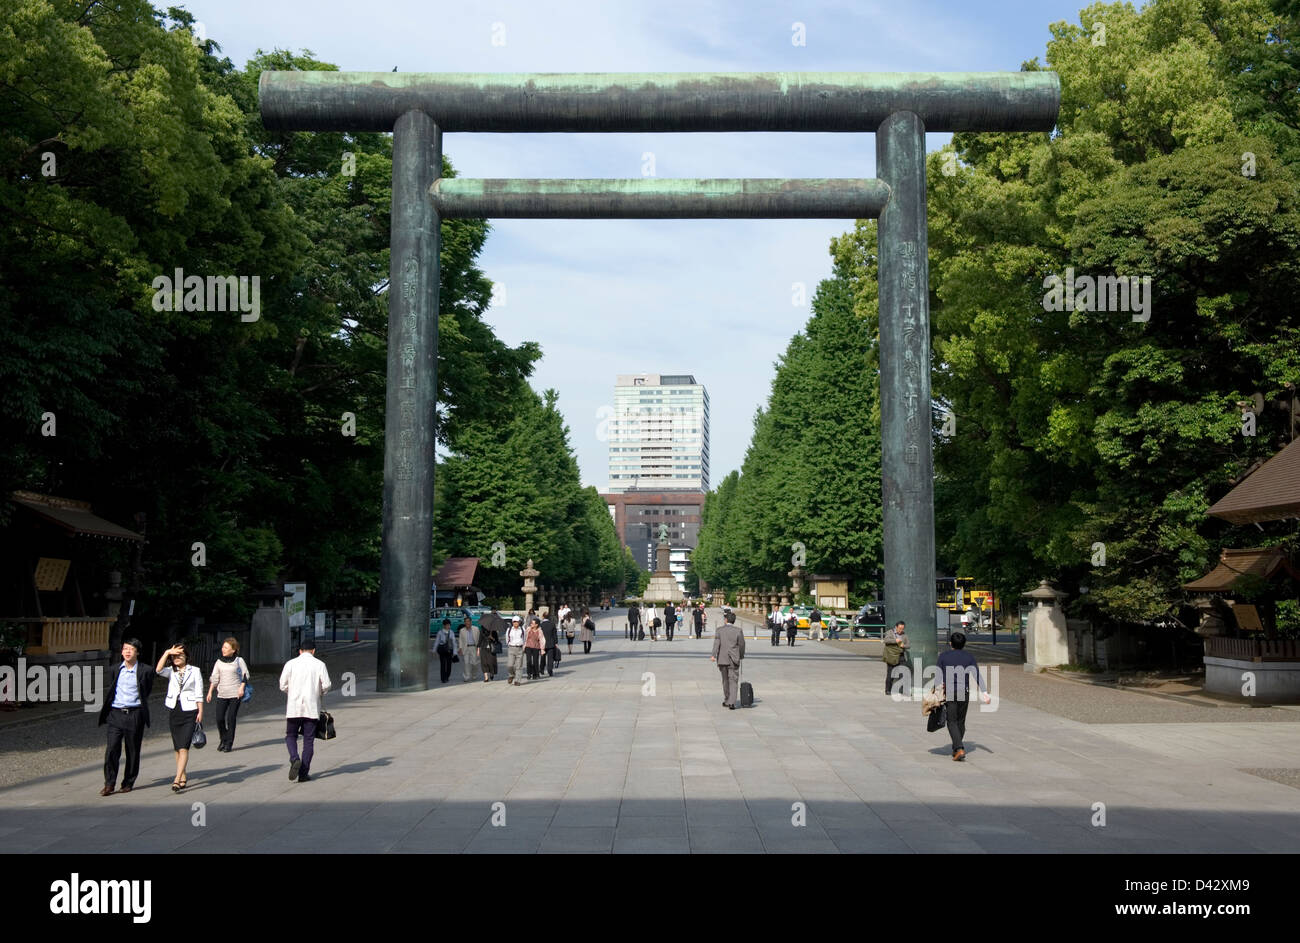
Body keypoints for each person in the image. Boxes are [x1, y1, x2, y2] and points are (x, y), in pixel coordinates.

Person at [98, 637, 156, 796]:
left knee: (132, 750)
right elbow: (111, 690)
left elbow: (147, 691)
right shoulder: (115, 669)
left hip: (134, 714)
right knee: (111, 749)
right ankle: (109, 783)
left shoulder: (146, 670)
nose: (127, 652)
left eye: (131, 649)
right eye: (125, 649)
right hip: (116, 713)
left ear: (137, 652)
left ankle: (128, 782)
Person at [279, 636, 332, 782]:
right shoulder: (319, 664)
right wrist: (319, 691)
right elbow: (326, 685)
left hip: (294, 707)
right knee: (308, 740)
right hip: (312, 707)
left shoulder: (290, 664)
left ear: (300, 651)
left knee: (291, 735)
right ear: (313, 651)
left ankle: (294, 758)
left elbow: (282, 685)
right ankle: (303, 773)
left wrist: (292, 691)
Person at [935, 631, 991, 761]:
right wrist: (985, 693)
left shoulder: (943, 656)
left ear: (950, 643)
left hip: (950, 691)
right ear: (964, 644)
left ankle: (959, 748)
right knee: (961, 721)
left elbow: (938, 676)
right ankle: (957, 748)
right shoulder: (969, 657)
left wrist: (937, 689)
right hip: (964, 692)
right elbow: (977, 675)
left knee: (952, 721)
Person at [155, 643, 204, 792]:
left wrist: (200, 711)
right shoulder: (171, 671)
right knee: (177, 747)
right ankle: (182, 774)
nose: (177, 658)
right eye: (174, 656)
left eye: (180, 655)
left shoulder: (195, 671)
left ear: (186, 657)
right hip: (175, 709)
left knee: (184, 746)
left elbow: (199, 691)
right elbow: (158, 670)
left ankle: (176, 779)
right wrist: (167, 652)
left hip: (190, 710)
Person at [206, 636, 249, 752]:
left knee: (231, 718)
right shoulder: (219, 662)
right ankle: (223, 738)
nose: (223, 649)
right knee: (219, 718)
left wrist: (241, 688)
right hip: (222, 693)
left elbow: (245, 675)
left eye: (226, 647)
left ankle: (229, 743)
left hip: (235, 694)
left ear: (233, 650)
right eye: (223, 647)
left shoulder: (239, 661)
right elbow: (214, 678)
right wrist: (210, 692)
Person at [710, 611, 746, 710]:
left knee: (725, 680)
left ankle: (727, 699)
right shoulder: (738, 631)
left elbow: (716, 643)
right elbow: (742, 645)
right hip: (734, 658)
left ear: (726, 620)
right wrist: (741, 655)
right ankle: (732, 702)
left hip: (722, 659)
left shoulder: (719, 630)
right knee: (733, 680)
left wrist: (713, 655)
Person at [883, 621, 910, 695]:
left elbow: (908, 645)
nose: (901, 630)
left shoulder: (904, 635)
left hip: (901, 656)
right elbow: (886, 640)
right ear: (896, 627)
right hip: (891, 656)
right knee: (890, 673)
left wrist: (903, 646)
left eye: (902, 628)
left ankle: (904, 690)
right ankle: (888, 690)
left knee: (903, 673)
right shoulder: (890, 632)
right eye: (900, 628)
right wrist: (895, 640)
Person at [434, 618, 458, 684]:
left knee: (449, 665)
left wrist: (455, 653)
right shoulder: (440, 632)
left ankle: (447, 676)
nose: (448, 626)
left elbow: (454, 643)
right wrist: (434, 650)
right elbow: (437, 641)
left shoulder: (451, 632)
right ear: (444, 625)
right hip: (442, 650)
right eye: (447, 625)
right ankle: (443, 678)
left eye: (449, 625)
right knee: (443, 664)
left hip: (449, 650)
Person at [459, 616, 481, 682]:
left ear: (471, 622)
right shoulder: (462, 630)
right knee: (466, 663)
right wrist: (460, 648)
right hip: (465, 648)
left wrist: (479, 648)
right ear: (464, 622)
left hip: (474, 647)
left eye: (468, 621)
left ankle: (474, 674)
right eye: (466, 622)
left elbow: (479, 639)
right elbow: (460, 640)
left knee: (474, 663)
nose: (467, 623)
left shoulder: (476, 629)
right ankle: (467, 676)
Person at [506, 616, 526, 685]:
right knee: (510, 665)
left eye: (517, 621)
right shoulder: (509, 629)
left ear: (519, 622)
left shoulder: (522, 629)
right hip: (511, 648)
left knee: (519, 665)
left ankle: (517, 680)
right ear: (512, 622)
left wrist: (523, 646)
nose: (515, 623)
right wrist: (509, 644)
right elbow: (507, 639)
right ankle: (511, 675)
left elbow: (524, 638)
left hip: (520, 648)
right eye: (514, 622)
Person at [478, 615, 499, 681]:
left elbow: (497, 641)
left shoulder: (494, 631)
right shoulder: (482, 630)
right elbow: (480, 639)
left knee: (491, 662)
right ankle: (486, 677)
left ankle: (491, 674)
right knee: (484, 662)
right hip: (483, 647)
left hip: (491, 648)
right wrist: (478, 649)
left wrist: (492, 638)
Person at [540, 608, 559, 676]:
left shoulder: (541, 625)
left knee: (543, 657)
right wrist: (556, 642)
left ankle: (541, 669)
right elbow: (554, 634)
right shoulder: (552, 624)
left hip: (543, 643)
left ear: (543, 617)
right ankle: (550, 670)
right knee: (550, 658)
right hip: (551, 643)